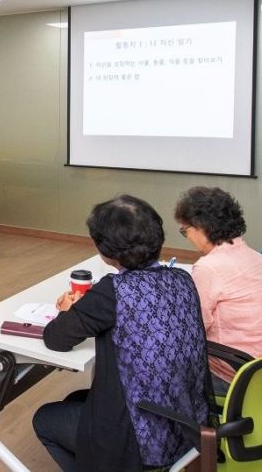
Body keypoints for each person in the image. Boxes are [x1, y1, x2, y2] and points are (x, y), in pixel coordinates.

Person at [32, 195, 211, 471]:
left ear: (105, 251)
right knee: (75, 400)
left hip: (140, 440)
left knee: (45, 419)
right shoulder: (182, 279)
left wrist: (68, 310)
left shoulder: (112, 291)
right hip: (187, 425)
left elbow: (55, 338)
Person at [174, 186, 262, 392]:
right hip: (257, 370)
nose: (187, 237)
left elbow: (193, 330)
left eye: (185, 230)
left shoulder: (209, 268)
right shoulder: (255, 257)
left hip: (232, 375)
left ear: (201, 228)